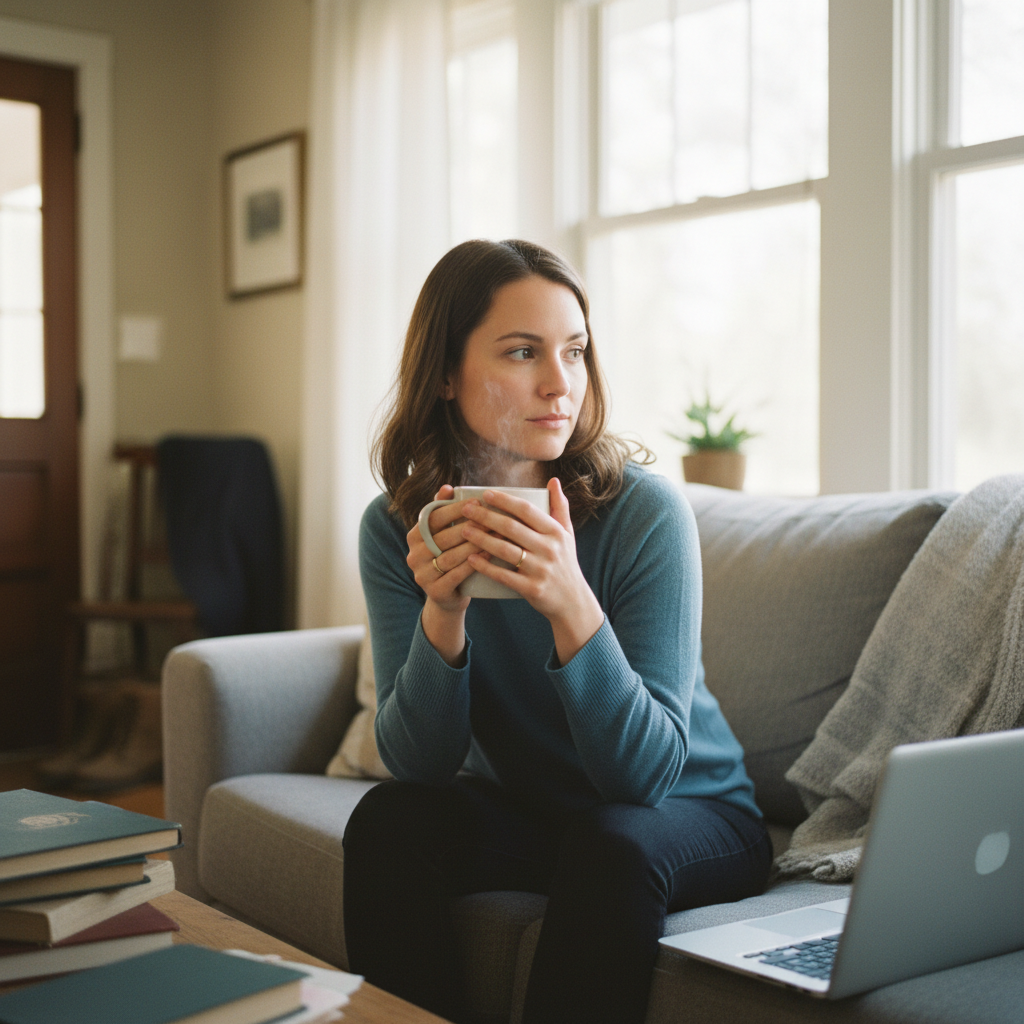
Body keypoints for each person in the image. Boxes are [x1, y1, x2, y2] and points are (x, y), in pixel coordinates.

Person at [344, 239, 771, 1024]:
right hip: (543, 815)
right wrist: (443, 613)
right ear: (444, 372)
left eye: (573, 353)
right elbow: (420, 765)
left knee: (609, 843)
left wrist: (571, 602)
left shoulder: (644, 512)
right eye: (521, 352)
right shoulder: (396, 527)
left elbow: (641, 780)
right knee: (391, 821)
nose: (558, 384)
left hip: (692, 810)